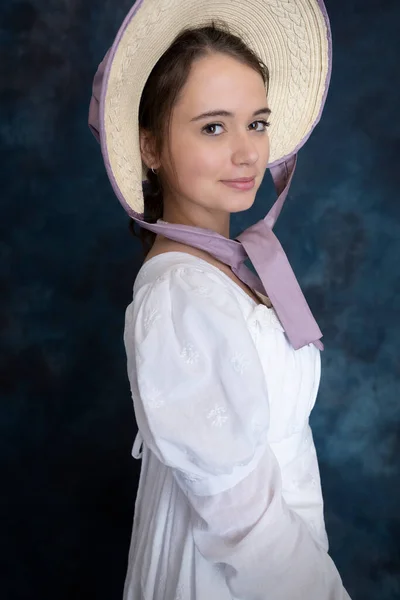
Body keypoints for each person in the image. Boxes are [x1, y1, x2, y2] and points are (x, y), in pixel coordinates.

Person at [89, 1, 352, 598]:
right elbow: (244, 524)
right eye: (213, 126)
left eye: (256, 122)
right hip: (231, 577)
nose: (246, 153)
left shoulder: (227, 271)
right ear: (151, 147)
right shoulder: (179, 295)